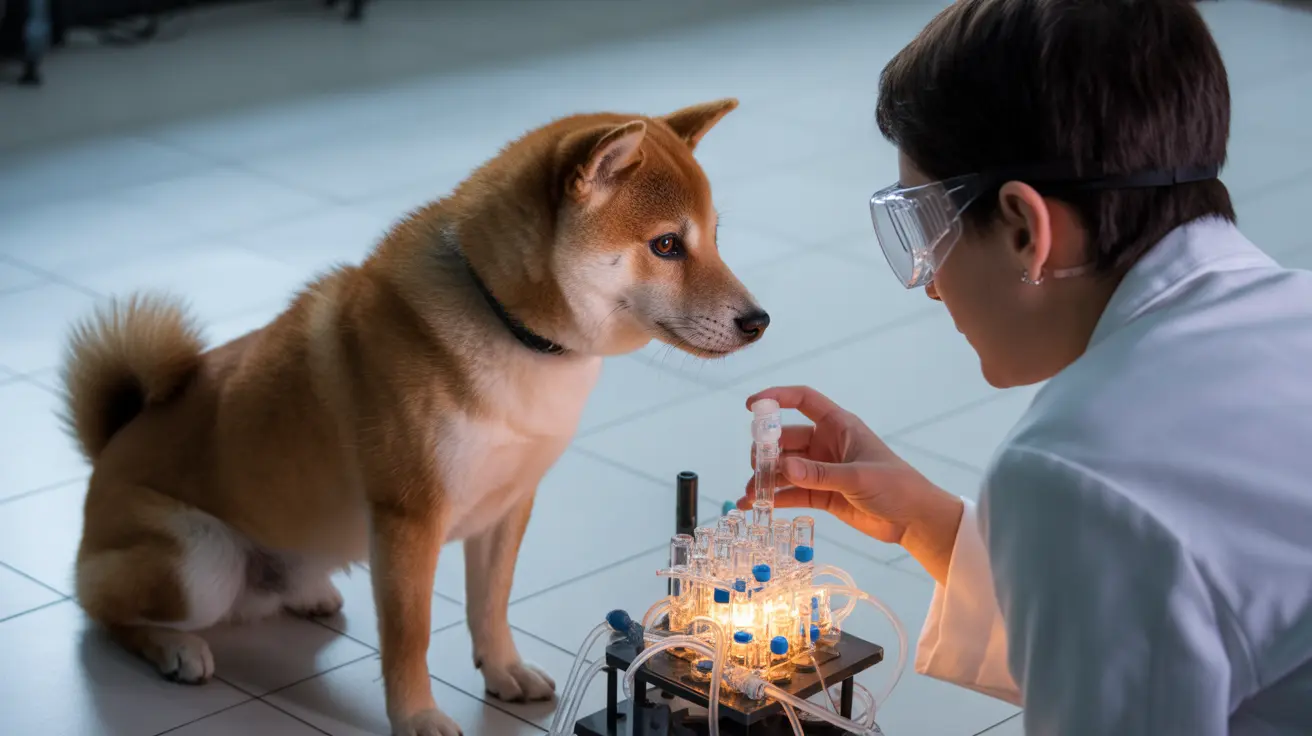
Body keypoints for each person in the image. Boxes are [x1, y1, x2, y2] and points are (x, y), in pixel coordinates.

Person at [737, 1, 1312, 734]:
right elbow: (1187, 630)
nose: (934, 283)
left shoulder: (1075, 471)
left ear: (1023, 229)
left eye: (930, 230)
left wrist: (1047, 514)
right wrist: (933, 526)